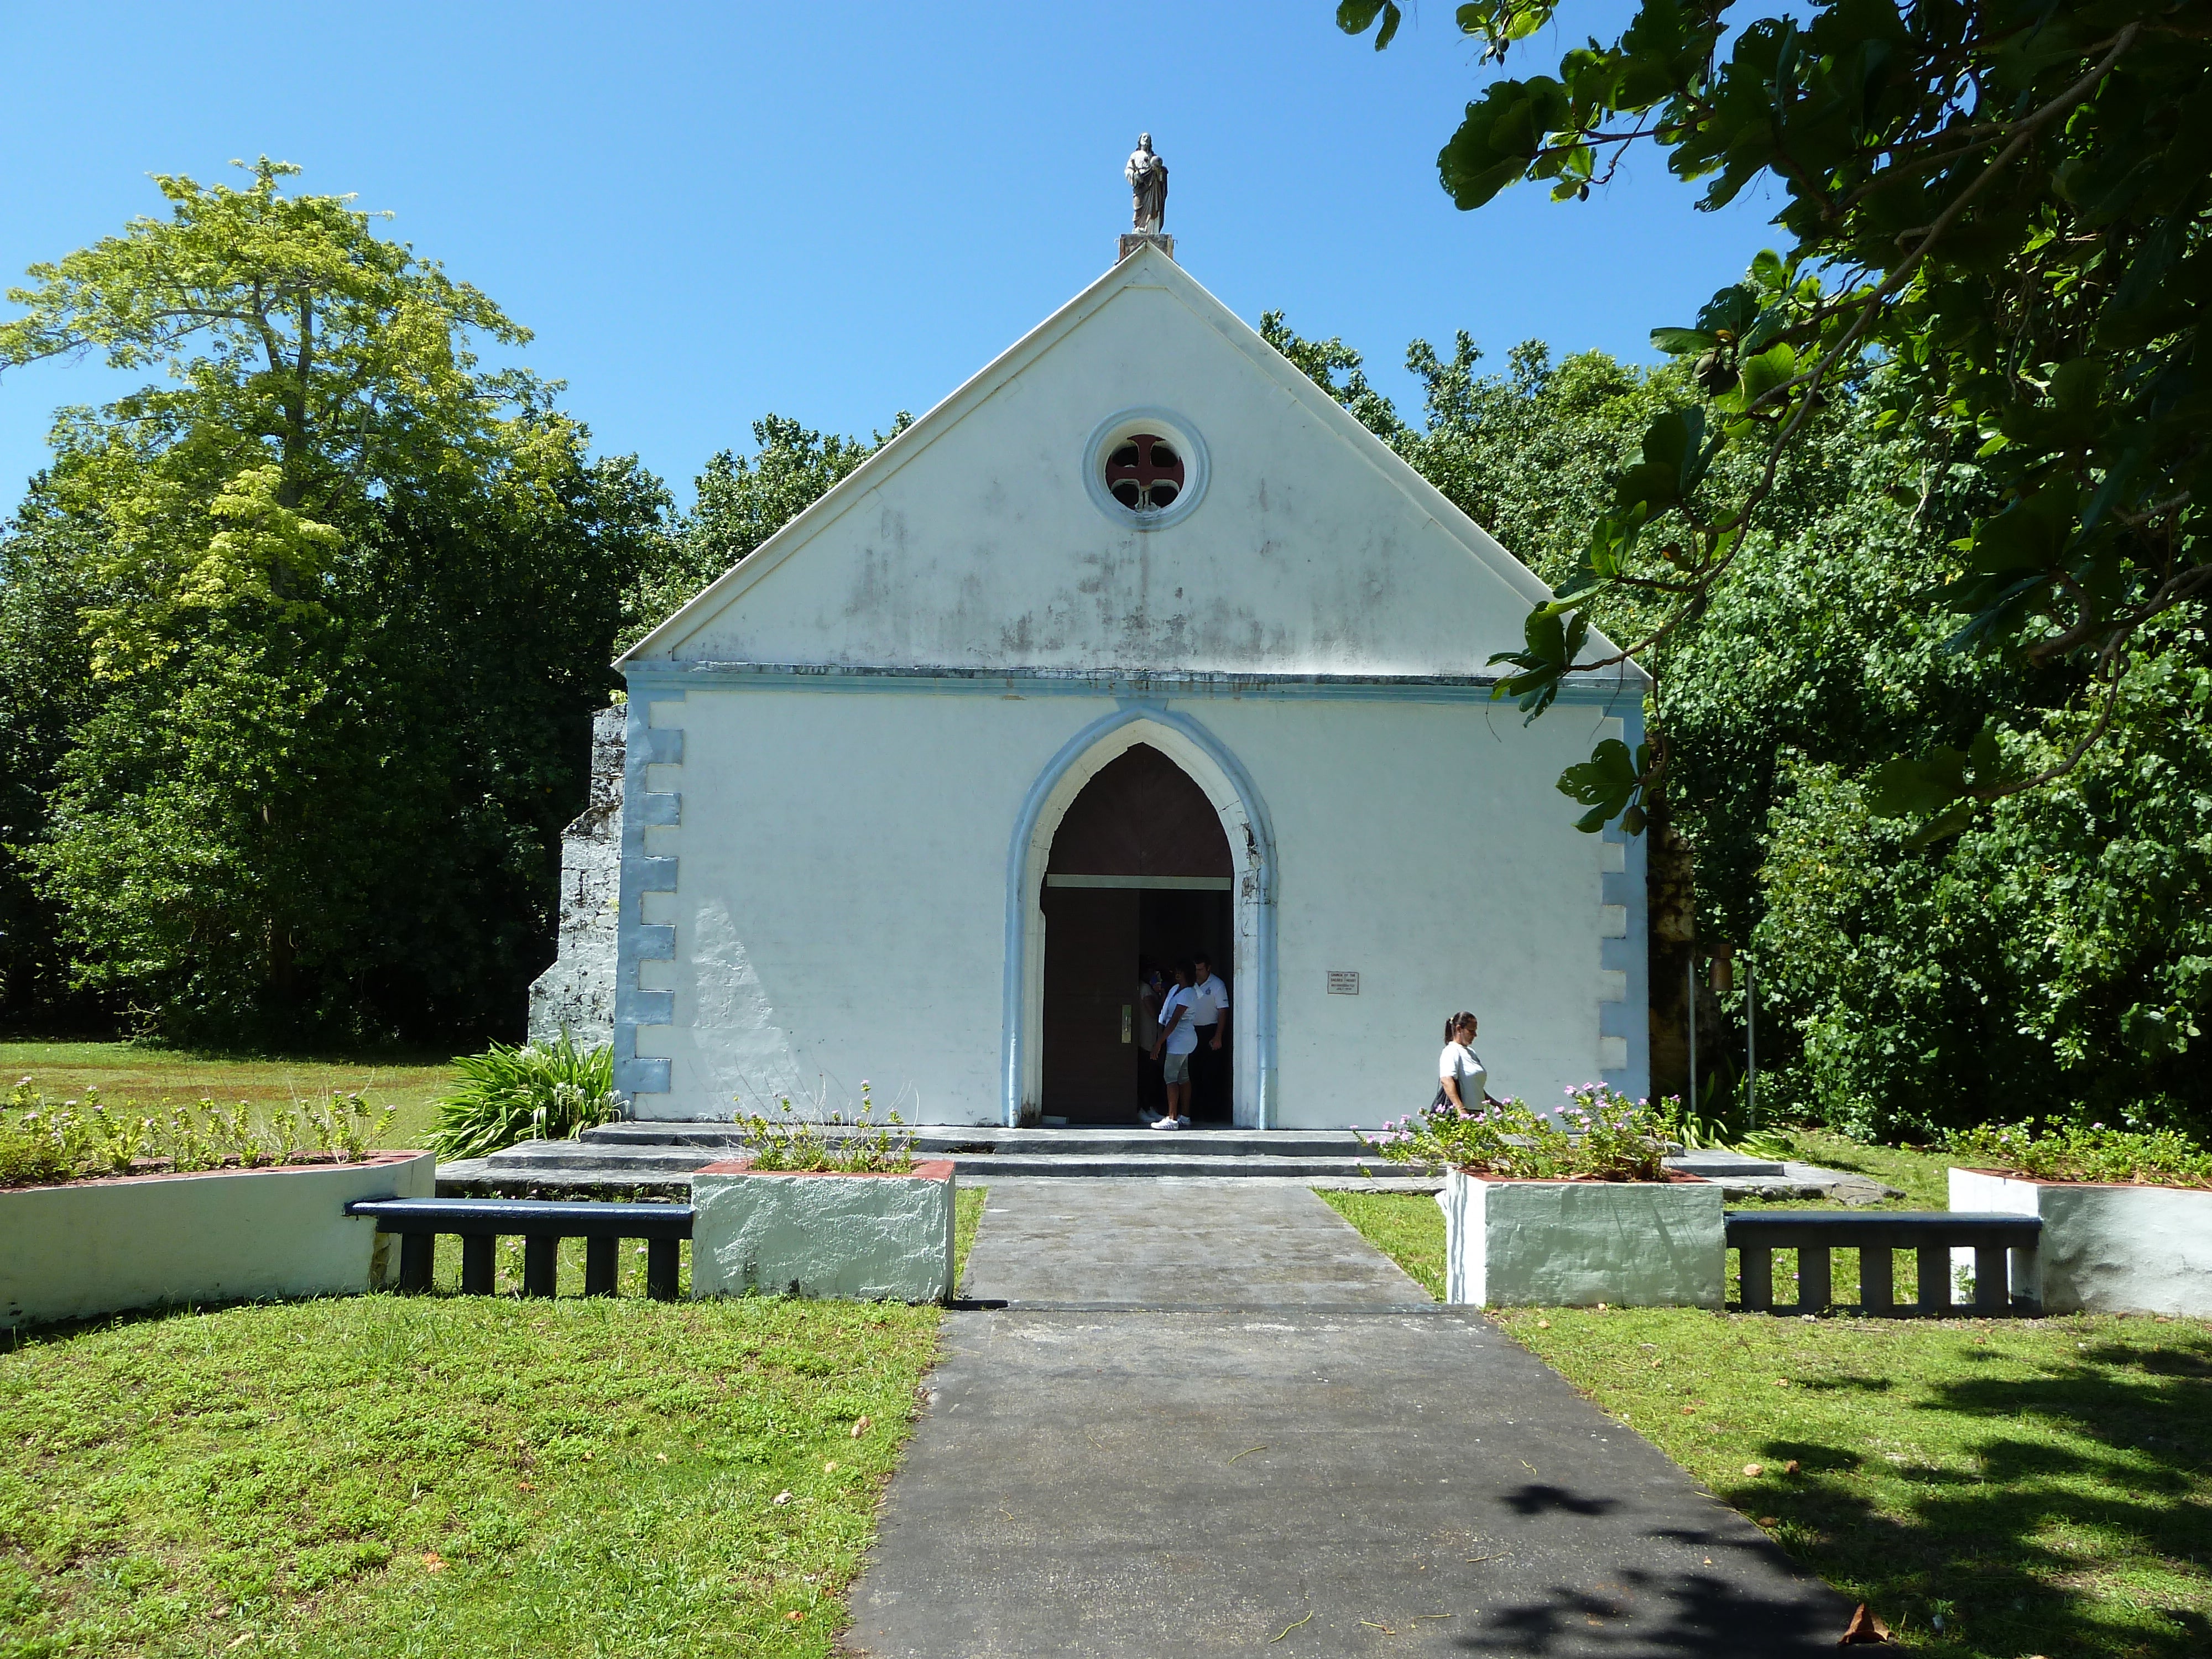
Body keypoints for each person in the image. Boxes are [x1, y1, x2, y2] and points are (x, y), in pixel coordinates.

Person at [1150, 961, 1198, 1129]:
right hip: (1180, 1041)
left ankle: (1172, 1118)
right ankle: (1185, 1116)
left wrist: (1159, 1043)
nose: (1176, 974)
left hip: (1180, 1041)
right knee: (1183, 1077)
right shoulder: (1176, 990)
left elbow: (1174, 1022)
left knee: (1170, 1077)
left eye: (1179, 971)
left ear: (1185, 973)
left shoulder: (1187, 993)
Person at [1188, 952, 1229, 1120]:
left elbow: (1223, 1011)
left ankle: (1212, 1115)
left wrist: (1218, 1036)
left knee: (1210, 1076)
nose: (1197, 973)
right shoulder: (1189, 984)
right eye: (1195, 970)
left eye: (1200, 969)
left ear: (1208, 968)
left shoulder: (1218, 985)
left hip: (1210, 1032)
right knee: (1192, 1074)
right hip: (1192, 1032)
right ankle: (1193, 1112)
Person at [1436, 1012, 1490, 1116]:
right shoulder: (1451, 1051)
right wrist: (1461, 1110)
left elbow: (1474, 1087)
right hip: (1463, 1115)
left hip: (1477, 1113)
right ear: (1459, 1029)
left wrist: (1496, 1104)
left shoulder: (1471, 1052)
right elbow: (1446, 1080)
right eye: (1471, 1031)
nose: (1475, 1035)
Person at [1134, 960, 1166, 1121]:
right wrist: (1161, 998)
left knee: (1151, 1075)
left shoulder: (1147, 988)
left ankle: (1149, 1108)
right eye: (1152, 972)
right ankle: (1142, 1109)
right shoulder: (1145, 988)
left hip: (1151, 1038)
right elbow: (1154, 1013)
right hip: (1146, 1039)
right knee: (1146, 1076)